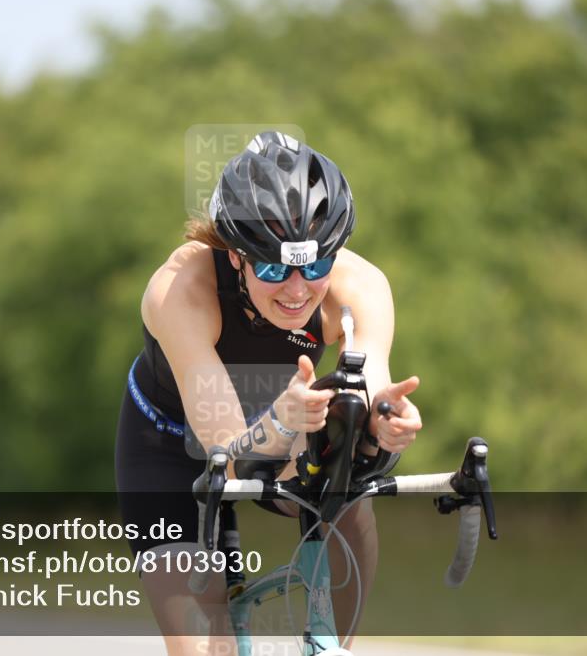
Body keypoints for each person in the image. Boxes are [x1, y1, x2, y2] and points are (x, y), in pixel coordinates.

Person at [115, 131, 423, 655]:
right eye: (276, 269)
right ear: (235, 256)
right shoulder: (180, 290)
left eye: (316, 266)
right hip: (168, 445)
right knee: (203, 647)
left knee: (346, 485)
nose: (298, 289)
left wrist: (384, 422)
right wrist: (279, 420)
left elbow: (370, 386)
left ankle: (338, 648)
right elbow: (229, 457)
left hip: (282, 422)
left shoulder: (361, 286)